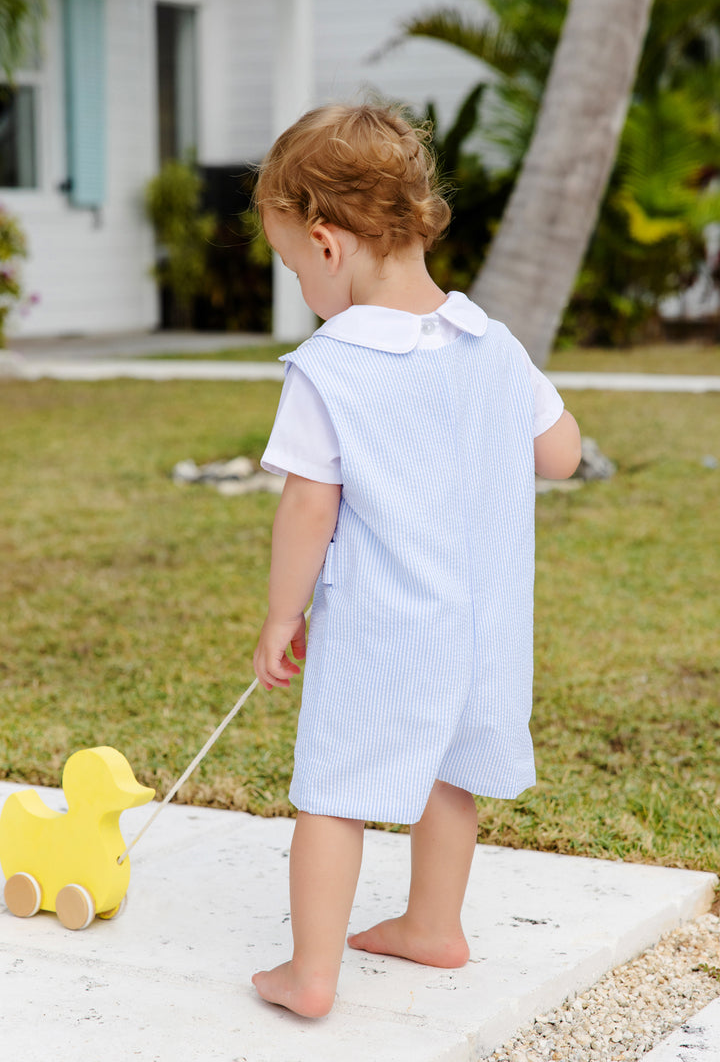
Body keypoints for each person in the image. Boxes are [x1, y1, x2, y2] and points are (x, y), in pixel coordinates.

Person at [251, 102, 582, 1018]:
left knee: (333, 788)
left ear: (326, 244)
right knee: (448, 768)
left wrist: (284, 615)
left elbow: (309, 505)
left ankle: (310, 974)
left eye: (290, 266)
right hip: (485, 626)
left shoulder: (331, 366)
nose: (299, 285)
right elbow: (559, 455)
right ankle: (434, 925)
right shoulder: (493, 342)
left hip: (385, 627)